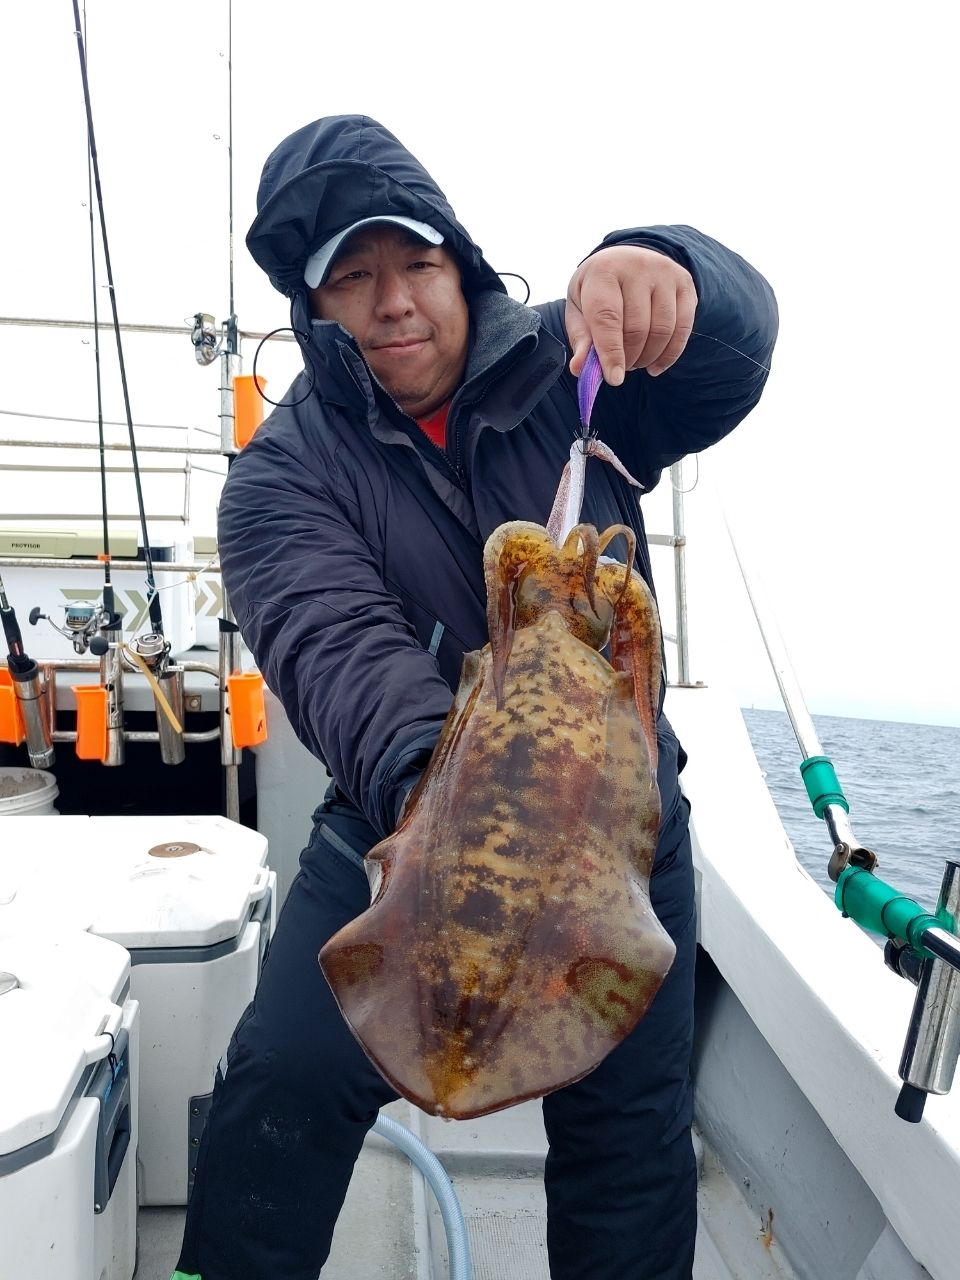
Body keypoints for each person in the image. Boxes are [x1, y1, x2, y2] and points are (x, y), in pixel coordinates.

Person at [173, 113, 777, 1280]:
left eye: (415, 263)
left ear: (460, 262)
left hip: (616, 824)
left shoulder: (571, 362)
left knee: (630, 1138)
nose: (392, 300)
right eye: (351, 278)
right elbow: (336, 646)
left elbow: (727, 362)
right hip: (409, 812)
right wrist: (468, 805)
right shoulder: (281, 475)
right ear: (314, 309)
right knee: (284, 1077)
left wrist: (675, 273)